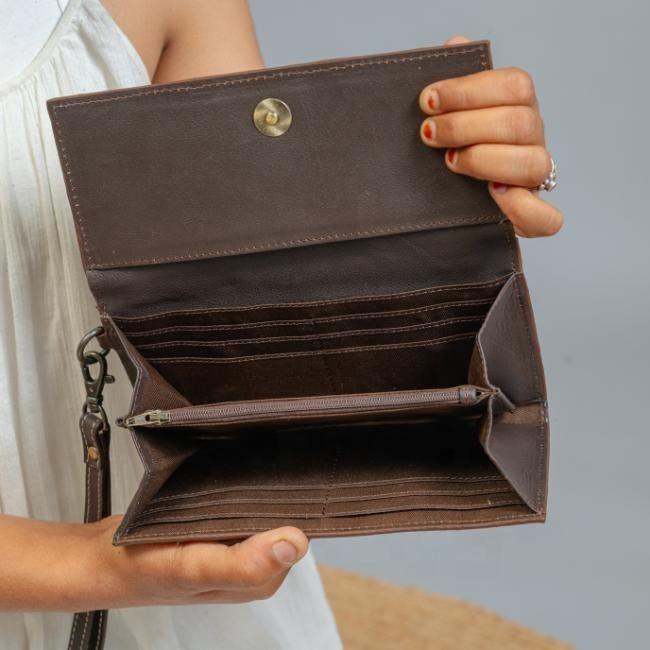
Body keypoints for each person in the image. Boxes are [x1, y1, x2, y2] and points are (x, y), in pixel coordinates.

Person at [0, 0, 562, 648]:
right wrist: (91, 568)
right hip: (152, 563)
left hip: (187, 583)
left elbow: (259, 290)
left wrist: (452, 183)